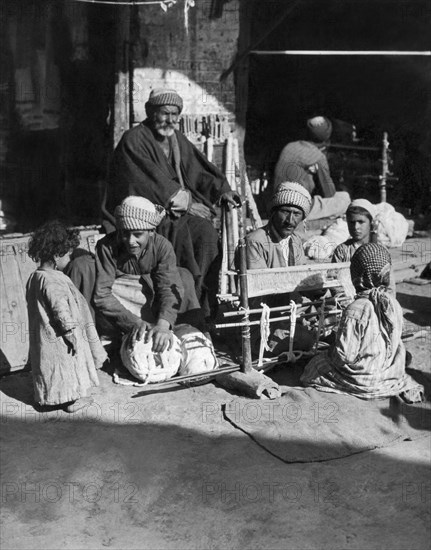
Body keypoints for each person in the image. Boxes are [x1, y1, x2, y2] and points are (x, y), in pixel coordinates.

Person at [105, 88, 241, 318]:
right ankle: (179, 303)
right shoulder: (134, 140)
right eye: (164, 113)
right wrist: (187, 205)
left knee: (206, 234)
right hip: (143, 215)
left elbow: (198, 169)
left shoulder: (175, 139)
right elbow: (150, 183)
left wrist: (222, 190)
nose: (170, 120)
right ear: (150, 112)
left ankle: (200, 303)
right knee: (180, 233)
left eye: (175, 115)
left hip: (173, 211)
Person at [301, 243, 423, 402]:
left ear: (360, 277)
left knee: (314, 366)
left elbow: (343, 356)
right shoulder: (393, 303)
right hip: (386, 371)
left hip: (363, 379)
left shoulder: (356, 309)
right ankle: (384, 379)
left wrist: (329, 352)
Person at [93, 196, 204, 353]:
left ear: (151, 232)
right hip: (122, 304)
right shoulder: (106, 246)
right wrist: (132, 322)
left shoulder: (162, 246)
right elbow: (102, 294)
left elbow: (167, 287)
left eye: (138, 234)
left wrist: (163, 324)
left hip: (152, 300)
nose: (130, 241)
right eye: (125, 233)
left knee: (183, 277)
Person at [26, 221, 107, 413]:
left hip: (45, 337)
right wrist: (70, 332)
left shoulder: (35, 277)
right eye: (68, 254)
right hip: (60, 335)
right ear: (56, 255)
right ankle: (73, 400)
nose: (70, 258)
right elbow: (59, 308)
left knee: (49, 368)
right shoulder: (52, 279)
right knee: (67, 367)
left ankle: (47, 397)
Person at [245, 181, 315, 355]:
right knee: (302, 339)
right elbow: (261, 286)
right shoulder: (255, 241)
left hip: (288, 312)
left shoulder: (296, 241)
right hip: (263, 318)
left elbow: (300, 278)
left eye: (297, 214)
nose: (290, 220)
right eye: (285, 212)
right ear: (274, 211)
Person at [273, 116, 350, 221]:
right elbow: (329, 193)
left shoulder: (289, 146)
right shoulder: (318, 156)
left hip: (277, 203)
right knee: (344, 199)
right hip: (297, 208)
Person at [332, 199, 396, 294]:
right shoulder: (342, 251)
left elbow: (390, 287)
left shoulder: (381, 251)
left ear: (371, 223)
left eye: (361, 222)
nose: (356, 227)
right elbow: (335, 283)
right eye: (352, 222)